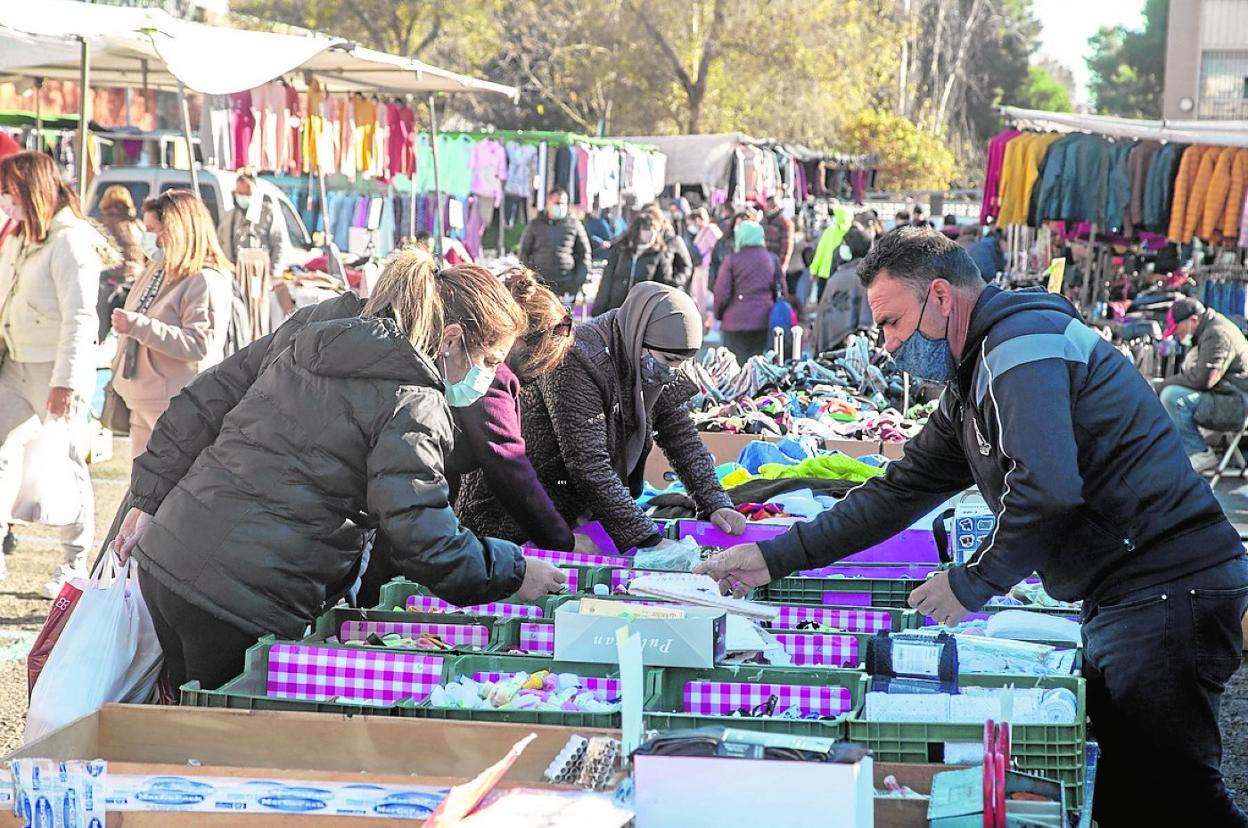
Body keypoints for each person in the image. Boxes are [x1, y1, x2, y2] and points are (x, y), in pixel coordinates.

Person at [697, 227, 1248, 827]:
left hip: (1166, 587)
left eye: (892, 323)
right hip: (1132, 591)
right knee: (1131, 795)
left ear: (939, 297)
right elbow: (896, 491)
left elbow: (1049, 488)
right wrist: (773, 556)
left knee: (1181, 797)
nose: (887, 346)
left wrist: (972, 583)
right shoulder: (973, 376)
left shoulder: (1018, 346)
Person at [108, 250, 567, 690]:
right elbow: (425, 539)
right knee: (213, 744)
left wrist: (151, 497)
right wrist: (515, 571)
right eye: (488, 363)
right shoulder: (415, 401)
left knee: (182, 727)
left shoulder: (320, 324)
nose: (488, 379)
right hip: (245, 596)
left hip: (172, 557)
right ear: (450, 339)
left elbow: (203, 398)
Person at [458, 282, 745, 553]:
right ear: (638, 338)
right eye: (669, 360)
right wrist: (646, 539)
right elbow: (588, 465)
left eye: (683, 362)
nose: (673, 371)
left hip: (564, 517)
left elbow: (682, 437)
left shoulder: (649, 367)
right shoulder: (580, 358)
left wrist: (716, 502)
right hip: (517, 514)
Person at [0, 151, 103, 596]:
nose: (5, 201)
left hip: (55, 369)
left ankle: (74, 560)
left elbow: (81, 317)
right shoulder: (20, 238)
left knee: (64, 461)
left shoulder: (71, 241)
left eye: (10, 192)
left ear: (31, 189)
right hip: (14, 363)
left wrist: (66, 382)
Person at [452, 268, 579, 550]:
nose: (535, 375)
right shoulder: (492, 375)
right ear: (521, 340)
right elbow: (510, 466)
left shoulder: (484, 360)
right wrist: (562, 540)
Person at [110, 190, 234, 460]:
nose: (153, 239)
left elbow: (199, 344)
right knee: (141, 488)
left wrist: (140, 327)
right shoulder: (158, 269)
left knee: (166, 484)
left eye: (157, 231)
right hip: (144, 397)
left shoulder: (204, 280)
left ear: (178, 230)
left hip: (174, 402)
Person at [1160, 298, 1248, 472]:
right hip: (1230, 396)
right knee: (1173, 392)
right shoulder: (1210, 328)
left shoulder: (1217, 333)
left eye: (1177, 330)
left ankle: (1199, 452)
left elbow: (1203, 379)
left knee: (1172, 397)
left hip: (1238, 402)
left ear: (1193, 320)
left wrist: (1160, 386)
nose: (1177, 336)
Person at [714, 220, 783, 363]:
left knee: (735, 369)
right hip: (764, 319)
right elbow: (781, 291)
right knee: (759, 367)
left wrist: (719, 314)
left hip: (735, 321)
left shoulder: (732, 260)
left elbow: (722, 292)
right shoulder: (772, 259)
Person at [593, 211, 672, 315]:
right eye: (647, 229)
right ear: (637, 230)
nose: (651, 233)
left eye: (654, 229)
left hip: (643, 310)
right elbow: (607, 280)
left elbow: (664, 284)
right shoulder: (620, 250)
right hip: (616, 307)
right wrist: (598, 308)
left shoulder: (658, 254)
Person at [518, 186, 591, 298]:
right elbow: (524, 252)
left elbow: (585, 253)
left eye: (563, 204)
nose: (560, 206)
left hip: (566, 285)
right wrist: (531, 277)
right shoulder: (535, 224)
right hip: (540, 286)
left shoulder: (574, 225)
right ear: (549, 203)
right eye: (557, 203)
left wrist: (578, 281)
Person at [216, 171, 288, 279]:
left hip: (260, 277)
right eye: (240, 194)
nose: (243, 198)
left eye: (247, 194)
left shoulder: (268, 214)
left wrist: (272, 274)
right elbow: (219, 245)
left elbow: (280, 245)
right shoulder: (230, 216)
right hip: (234, 276)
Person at [96, 186, 145, 343]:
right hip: (136, 285)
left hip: (108, 287)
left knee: (101, 334)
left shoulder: (100, 225)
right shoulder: (139, 226)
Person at [815, 226, 875, 352]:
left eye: (844, 244)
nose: (841, 247)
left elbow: (826, 316)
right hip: (863, 345)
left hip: (840, 345)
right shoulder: (872, 274)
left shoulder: (843, 277)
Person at [686, 208, 722, 328]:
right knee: (698, 298)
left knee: (709, 299)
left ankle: (712, 326)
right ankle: (701, 325)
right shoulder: (700, 232)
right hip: (699, 268)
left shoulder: (711, 229)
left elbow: (717, 248)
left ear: (697, 220)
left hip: (707, 268)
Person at [763, 196, 794, 275]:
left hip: (776, 264)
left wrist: (782, 267)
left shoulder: (785, 223)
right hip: (764, 263)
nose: (767, 209)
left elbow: (786, 247)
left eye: (769, 206)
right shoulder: (764, 221)